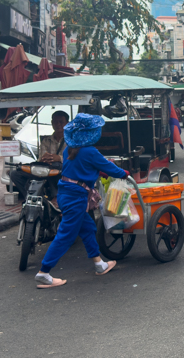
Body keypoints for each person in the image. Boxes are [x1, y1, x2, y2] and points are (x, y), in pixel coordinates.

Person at [35, 113, 129, 289]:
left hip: (66, 193)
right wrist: (125, 174)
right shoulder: (90, 151)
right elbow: (111, 168)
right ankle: (43, 273)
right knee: (66, 235)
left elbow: (77, 167)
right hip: (76, 197)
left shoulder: (69, 148)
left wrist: (96, 171)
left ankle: (99, 264)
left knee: (87, 229)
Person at [10, 110, 69, 200]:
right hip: (44, 169)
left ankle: (55, 197)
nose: (58, 124)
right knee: (15, 174)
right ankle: (31, 197)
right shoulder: (46, 140)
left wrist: (59, 158)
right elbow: (42, 157)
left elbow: (72, 158)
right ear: (52, 123)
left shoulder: (71, 141)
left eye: (61, 122)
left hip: (62, 171)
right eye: (55, 122)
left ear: (67, 123)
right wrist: (45, 159)